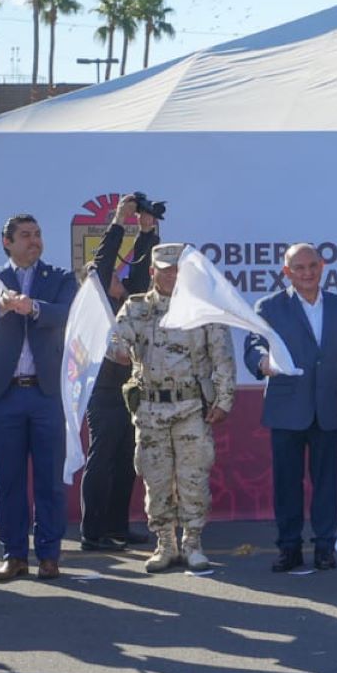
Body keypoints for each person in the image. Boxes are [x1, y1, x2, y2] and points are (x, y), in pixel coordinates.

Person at [109, 242, 235, 573]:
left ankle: (193, 542)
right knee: (156, 478)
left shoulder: (203, 309)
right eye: (166, 271)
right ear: (153, 273)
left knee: (194, 478)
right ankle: (165, 543)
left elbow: (223, 356)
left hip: (191, 407)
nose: (173, 277)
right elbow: (116, 339)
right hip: (150, 410)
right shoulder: (136, 309)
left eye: (178, 271)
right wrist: (117, 351)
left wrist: (224, 400)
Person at [0, 214, 79, 582]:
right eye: (25, 236)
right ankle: (14, 554)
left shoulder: (60, 278)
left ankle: (49, 555)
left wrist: (29, 306)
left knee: (50, 480)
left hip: (47, 394)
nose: (34, 241)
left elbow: (67, 314)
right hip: (5, 396)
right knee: (10, 481)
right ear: (7, 242)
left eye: (37, 234)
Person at [245, 243, 337, 573]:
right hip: (286, 408)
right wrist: (262, 362)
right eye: (299, 268)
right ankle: (289, 547)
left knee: (327, 482)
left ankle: (325, 546)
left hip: (328, 407)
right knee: (287, 482)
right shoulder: (268, 307)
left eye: (313, 265)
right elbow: (253, 345)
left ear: (323, 266)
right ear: (287, 272)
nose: (307, 272)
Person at [80, 194, 158, 551]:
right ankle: (92, 532)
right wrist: (117, 220)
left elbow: (143, 268)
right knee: (103, 457)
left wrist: (147, 231)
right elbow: (103, 261)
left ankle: (117, 527)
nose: (119, 276)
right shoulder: (98, 299)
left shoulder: (131, 298)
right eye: (112, 274)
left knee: (127, 460)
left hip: (131, 391)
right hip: (103, 391)